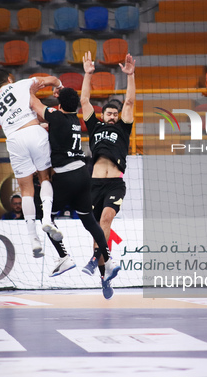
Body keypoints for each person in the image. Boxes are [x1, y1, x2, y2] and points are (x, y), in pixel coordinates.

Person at [29, 84, 116, 298]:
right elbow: (53, 116)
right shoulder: (74, 119)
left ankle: (63, 256)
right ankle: (109, 262)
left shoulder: (57, 117)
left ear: (58, 106)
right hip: (83, 175)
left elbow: (34, 103)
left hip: (66, 176)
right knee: (90, 222)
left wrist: (28, 88)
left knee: (43, 215)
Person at [0, 69, 63, 258]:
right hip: (34, 131)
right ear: (9, 78)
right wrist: (58, 87)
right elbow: (52, 79)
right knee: (45, 177)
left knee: (25, 190)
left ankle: (33, 240)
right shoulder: (22, 84)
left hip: (14, 141)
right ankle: (47, 218)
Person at [79, 51, 135, 287]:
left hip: (114, 183)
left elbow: (130, 101)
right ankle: (104, 274)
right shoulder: (95, 127)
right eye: (109, 114)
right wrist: (87, 74)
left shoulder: (123, 127)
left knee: (105, 219)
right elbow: (84, 101)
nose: (112, 117)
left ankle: (94, 259)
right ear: (102, 115)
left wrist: (130, 76)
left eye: (115, 114)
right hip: (93, 184)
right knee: (97, 229)